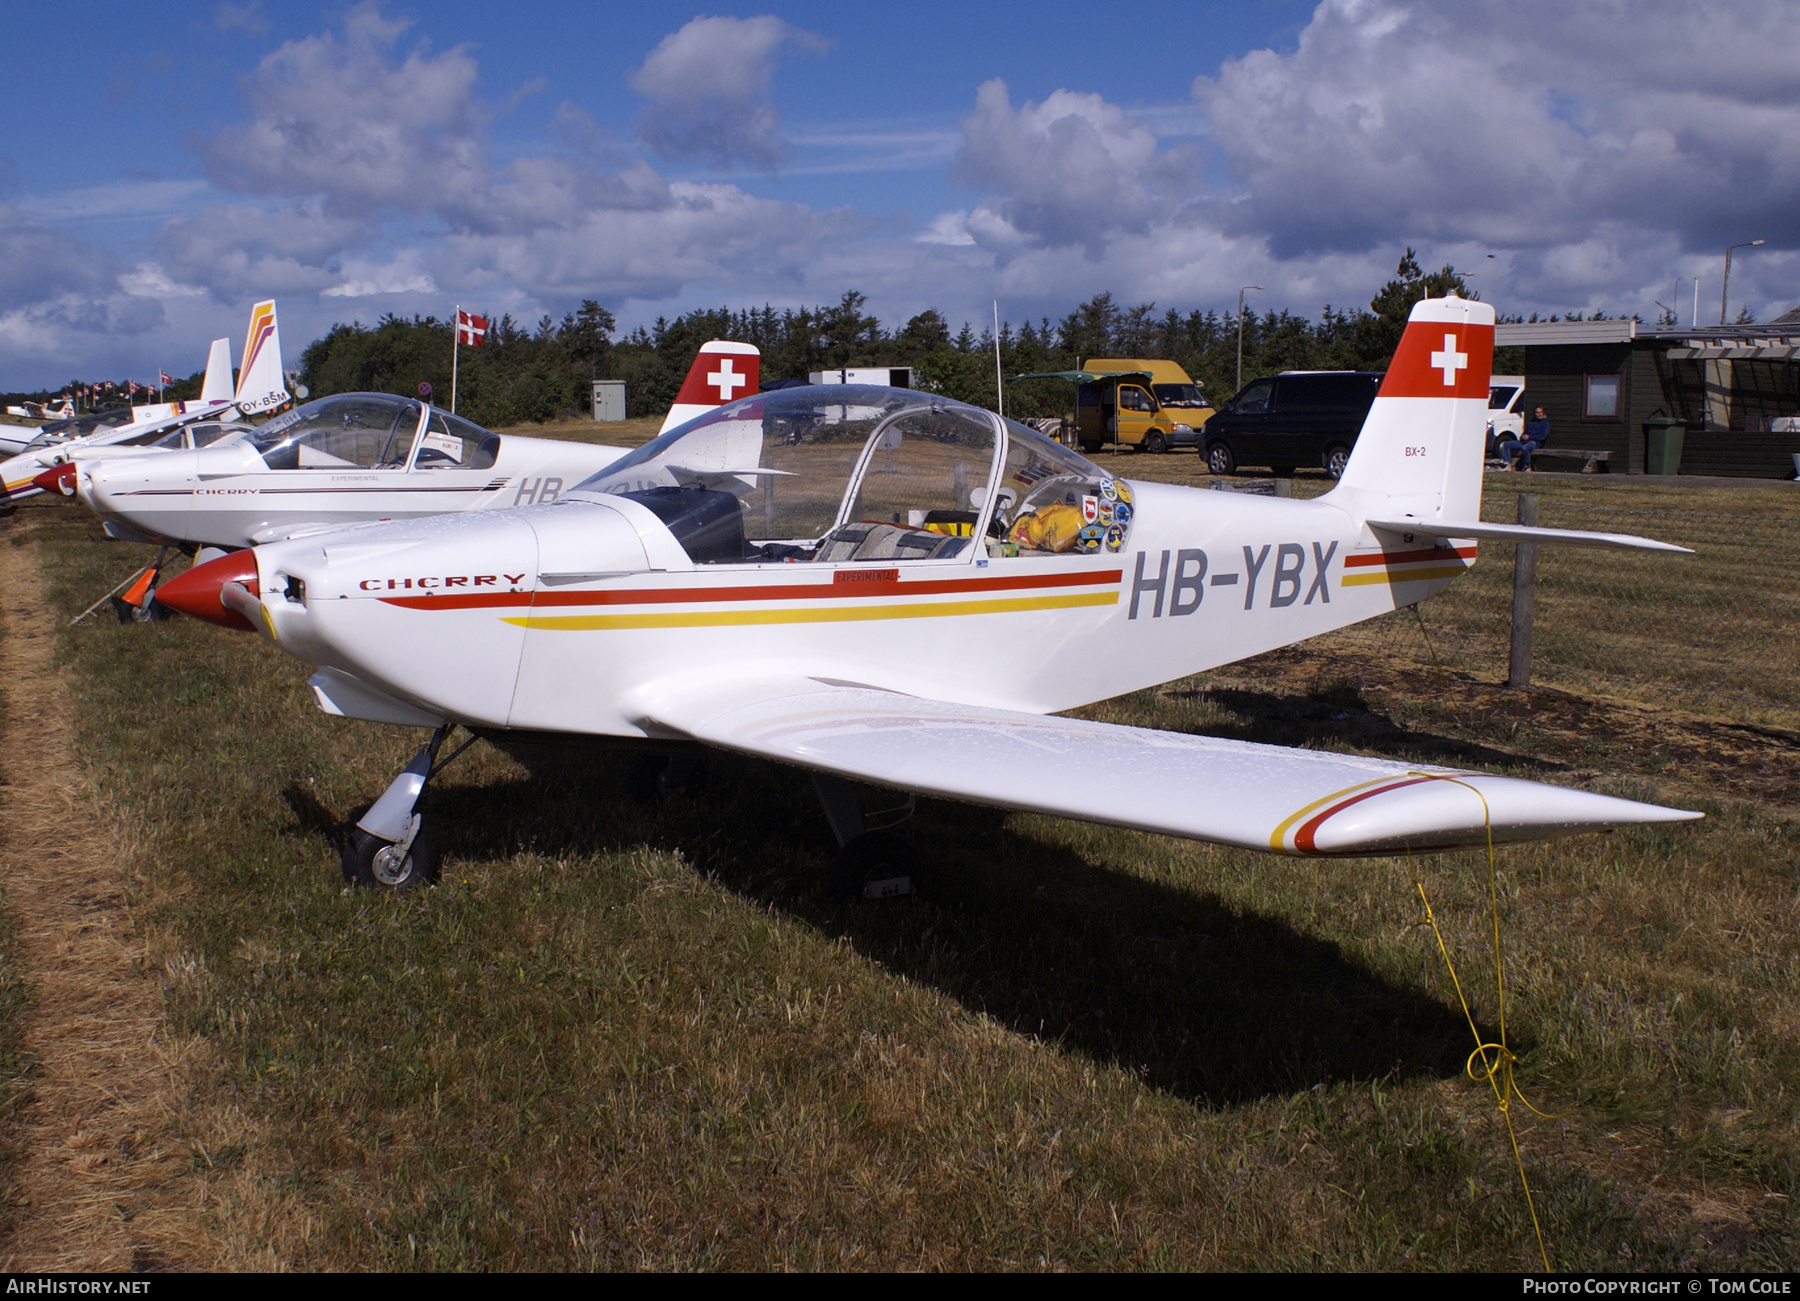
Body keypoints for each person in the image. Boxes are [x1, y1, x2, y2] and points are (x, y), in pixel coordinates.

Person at [1500, 406, 1549, 471]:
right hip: (1525, 441)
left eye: (1540, 412)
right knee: (1506, 444)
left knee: (1525, 448)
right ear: (1534, 413)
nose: (1539, 414)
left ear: (1543, 413)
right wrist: (1523, 437)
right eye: (1537, 412)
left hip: (1535, 442)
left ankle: (1527, 466)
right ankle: (1508, 465)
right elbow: (1525, 432)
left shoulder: (1545, 423)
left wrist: (1530, 437)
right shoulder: (1530, 423)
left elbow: (1543, 436)